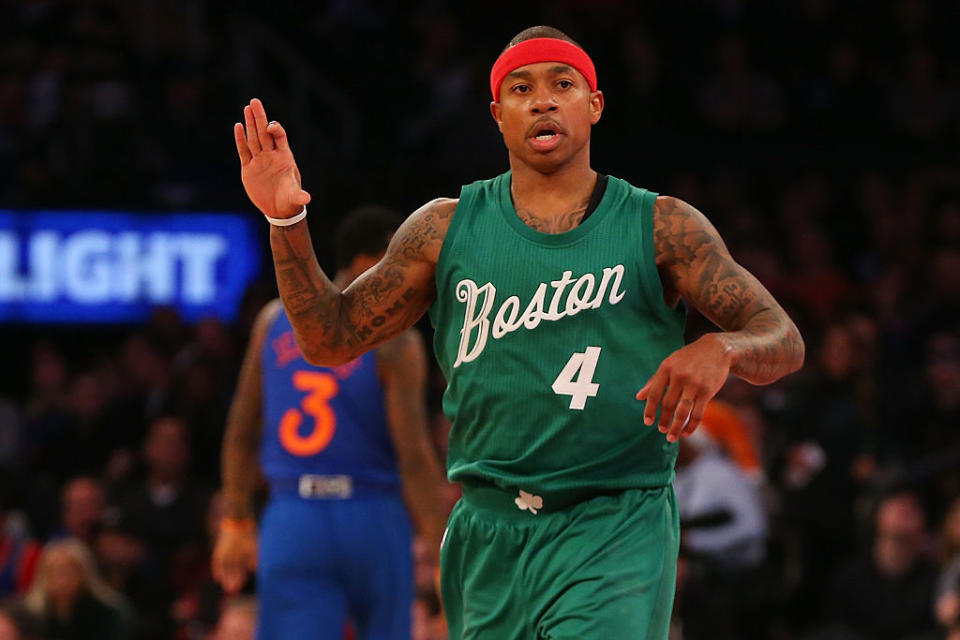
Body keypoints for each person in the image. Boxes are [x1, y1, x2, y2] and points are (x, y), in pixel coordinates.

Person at [233, 25, 804, 639]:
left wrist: (722, 345)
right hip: (487, 527)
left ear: (595, 105)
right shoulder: (443, 231)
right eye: (521, 88)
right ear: (497, 116)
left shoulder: (661, 225)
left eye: (563, 84)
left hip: (614, 521)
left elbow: (781, 336)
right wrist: (286, 218)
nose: (543, 100)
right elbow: (328, 340)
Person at [212, 206, 448, 640]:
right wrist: (439, 541)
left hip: (293, 516)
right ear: (367, 263)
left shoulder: (270, 322)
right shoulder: (395, 340)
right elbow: (413, 454)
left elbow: (241, 433)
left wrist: (236, 520)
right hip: (371, 512)